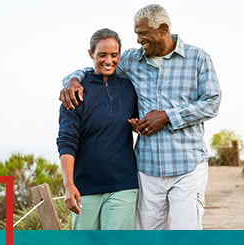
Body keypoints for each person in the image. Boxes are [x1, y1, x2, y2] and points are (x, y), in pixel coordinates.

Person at [59, 4, 221, 230]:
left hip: (187, 165)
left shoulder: (198, 59)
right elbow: (97, 67)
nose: (138, 40)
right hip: (147, 168)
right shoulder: (131, 61)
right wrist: (72, 80)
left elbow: (212, 102)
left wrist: (167, 116)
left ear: (163, 29)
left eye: (143, 34)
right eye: (136, 34)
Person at [57, 28, 138, 230]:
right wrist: (69, 185)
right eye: (102, 55)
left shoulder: (129, 87)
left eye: (114, 55)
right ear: (91, 54)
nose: (108, 60)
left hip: (124, 186)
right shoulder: (75, 92)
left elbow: (139, 119)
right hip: (85, 188)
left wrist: (139, 125)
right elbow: (66, 141)